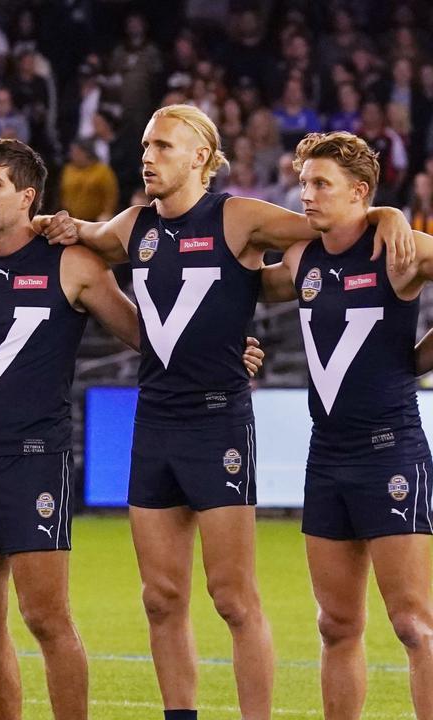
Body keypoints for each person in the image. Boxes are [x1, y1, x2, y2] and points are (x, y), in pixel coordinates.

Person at [0, 104, 413, 720]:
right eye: (145, 145)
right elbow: (55, 228)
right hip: (153, 423)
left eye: (162, 146)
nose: (147, 156)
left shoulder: (239, 217)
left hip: (218, 423)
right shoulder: (133, 226)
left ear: (201, 159)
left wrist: (388, 212)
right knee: (160, 599)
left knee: (233, 598)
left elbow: (332, 226)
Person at [0, 137, 262, 720]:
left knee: (46, 617)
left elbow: (148, 337)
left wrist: (224, 351)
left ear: (27, 196)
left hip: (36, 456)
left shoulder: (73, 263)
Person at [262, 131, 433, 720]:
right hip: (326, 457)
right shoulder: (301, 257)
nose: (305, 195)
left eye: (320, 184)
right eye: (303, 182)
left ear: (358, 191)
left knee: (413, 625)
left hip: (391, 453)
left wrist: (423, 357)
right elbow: (232, 289)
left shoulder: (399, 250)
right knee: (335, 625)